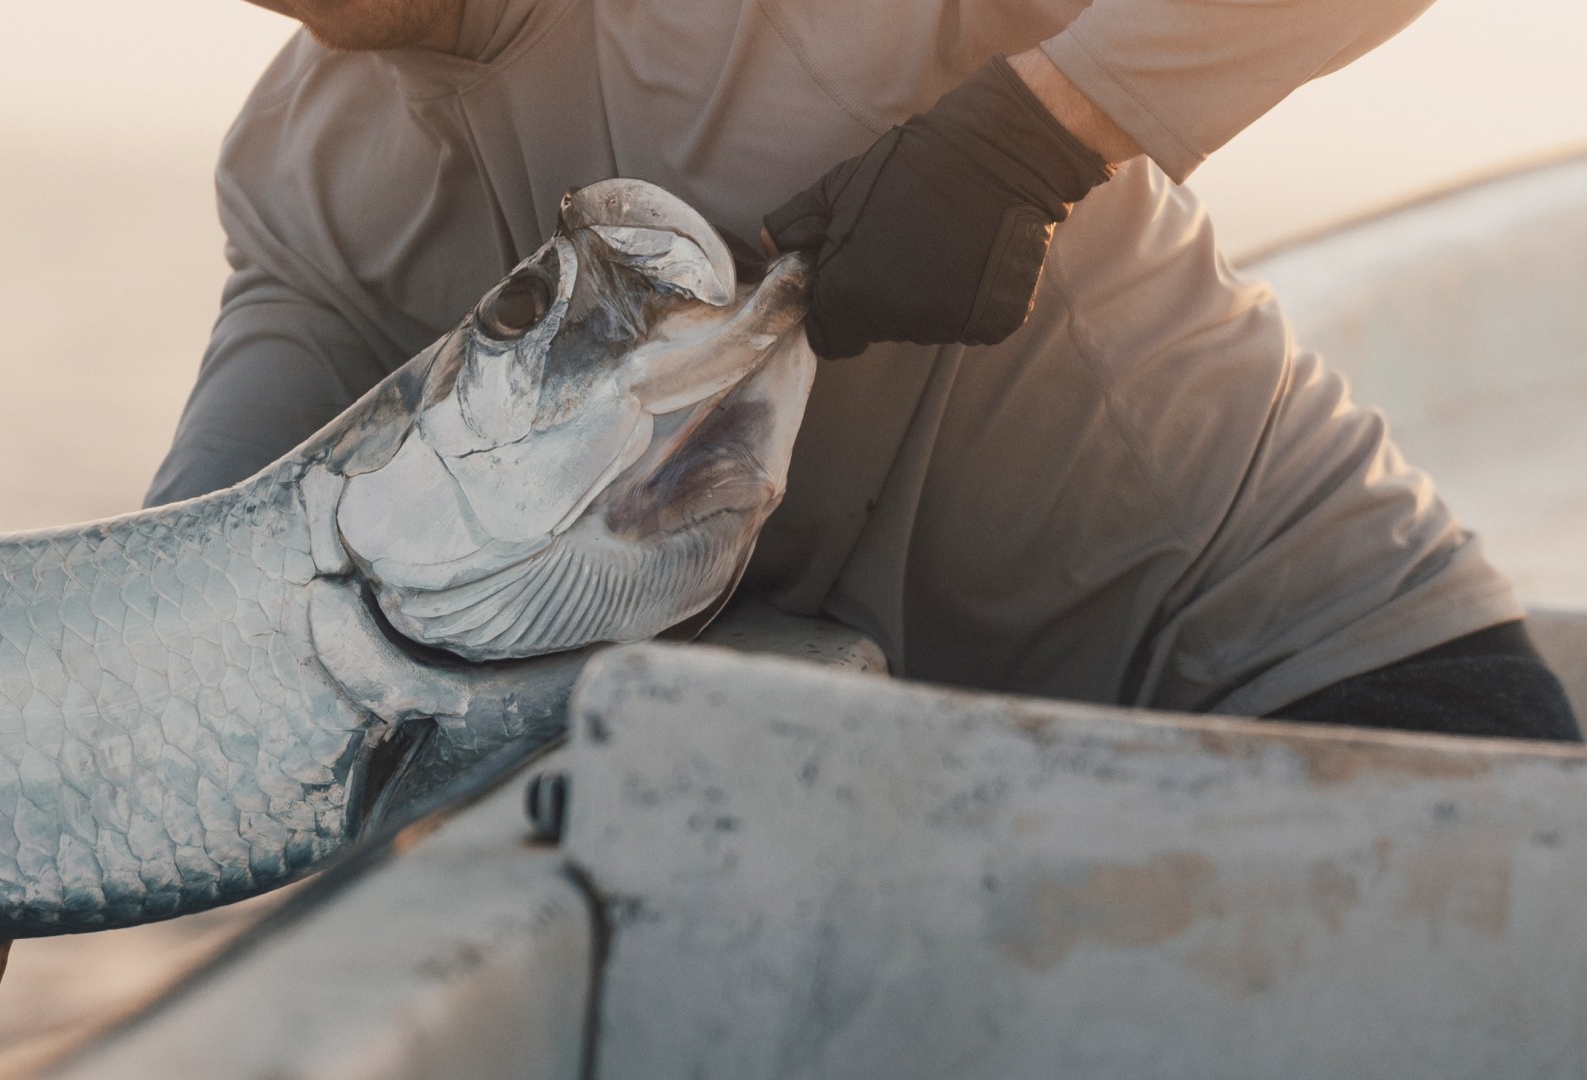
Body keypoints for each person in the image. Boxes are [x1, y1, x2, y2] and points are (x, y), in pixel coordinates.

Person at [146, 0, 1579, 741]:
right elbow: (190, 573)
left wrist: (1036, 134)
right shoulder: (297, 182)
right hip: (890, 791)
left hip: (1308, 673)